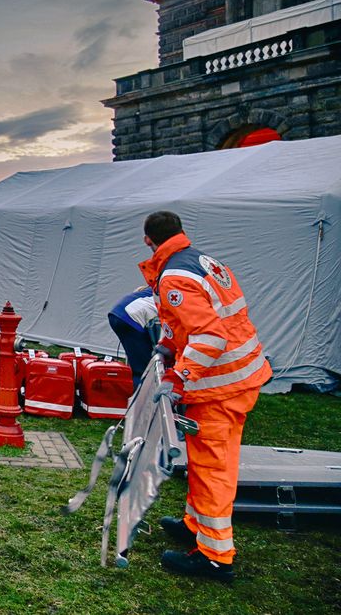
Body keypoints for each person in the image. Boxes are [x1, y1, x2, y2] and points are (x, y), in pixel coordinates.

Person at [138, 211, 272, 583]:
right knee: (204, 458)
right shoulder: (202, 261)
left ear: (149, 240)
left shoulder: (174, 276)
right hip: (239, 377)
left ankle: (214, 555)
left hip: (219, 386)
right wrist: (168, 345)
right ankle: (194, 523)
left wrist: (179, 376)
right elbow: (194, 321)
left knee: (214, 465)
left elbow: (209, 336)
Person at [107, 286, 159, 386]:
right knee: (145, 370)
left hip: (119, 313)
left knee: (139, 363)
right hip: (130, 318)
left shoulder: (161, 285)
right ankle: (140, 399)